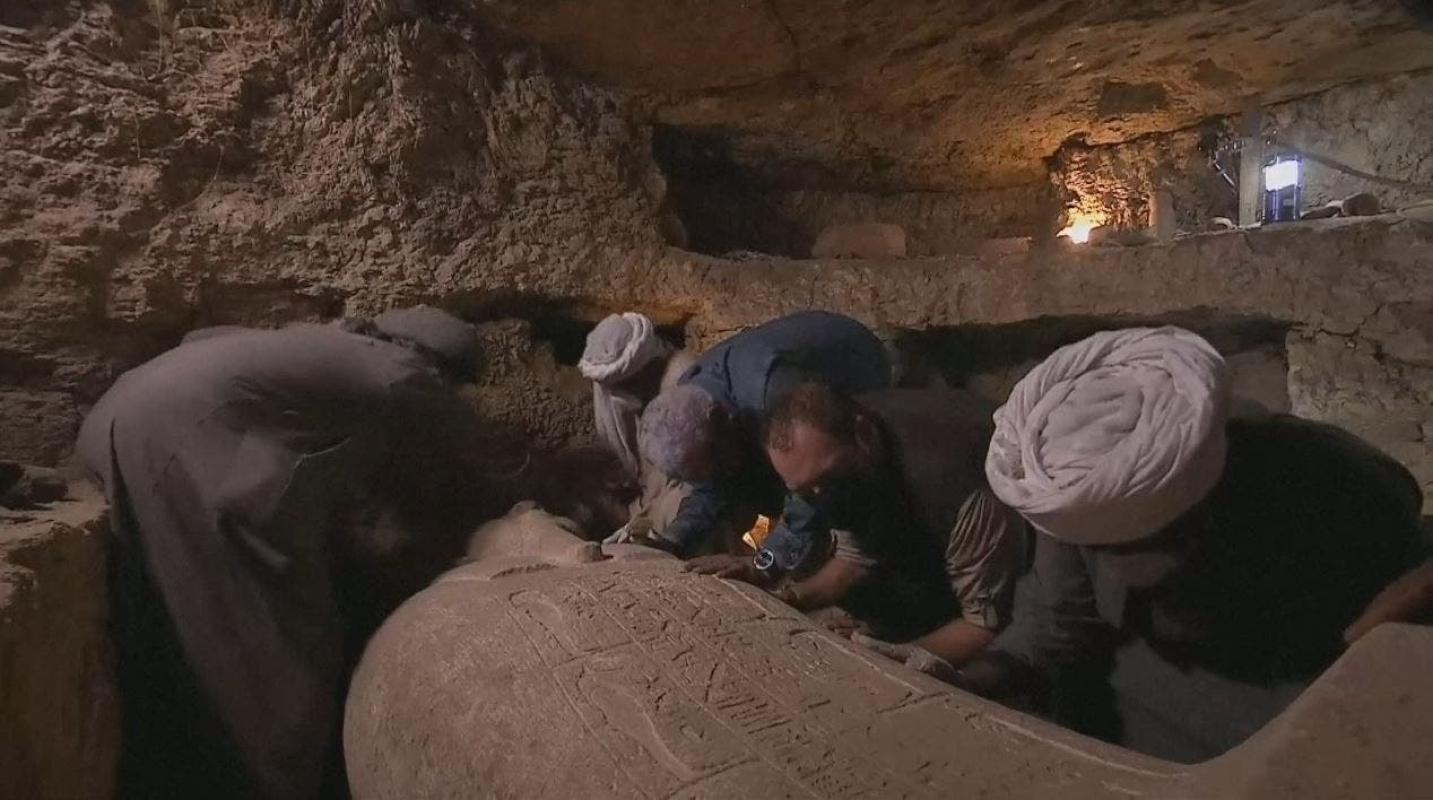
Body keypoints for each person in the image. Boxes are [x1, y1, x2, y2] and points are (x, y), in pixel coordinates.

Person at [953, 326, 1430, 763]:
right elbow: (1054, 620)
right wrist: (973, 680)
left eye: (1147, 547)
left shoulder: (1327, 484)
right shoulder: (1078, 489)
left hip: (1296, 734)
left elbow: (1395, 607)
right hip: (1133, 735)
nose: (1120, 566)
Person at [79, 306, 494, 799]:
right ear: (438, 364)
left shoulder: (313, 342)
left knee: (165, 622)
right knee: (268, 648)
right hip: (179, 444)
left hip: (115, 419)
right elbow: (469, 450)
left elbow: (205, 338)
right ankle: (263, 782)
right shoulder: (400, 371)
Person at [689, 383, 1028, 675]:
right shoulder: (842, 459)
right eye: (806, 491)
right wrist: (783, 594)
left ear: (864, 434)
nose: (821, 495)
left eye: (827, 479)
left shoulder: (954, 480)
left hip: (1020, 558)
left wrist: (889, 659)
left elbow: (982, 624)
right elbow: (855, 558)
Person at [638, 311, 892, 557]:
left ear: (721, 421)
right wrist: (673, 540)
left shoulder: (772, 395)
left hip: (864, 367)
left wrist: (768, 560)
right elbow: (712, 488)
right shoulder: (694, 405)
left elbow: (808, 482)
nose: (717, 475)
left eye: (716, 464)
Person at [577, 312, 697, 542]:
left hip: (686, 491)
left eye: (623, 385)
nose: (614, 395)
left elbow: (695, 478)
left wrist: (649, 521)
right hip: (647, 492)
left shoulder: (681, 380)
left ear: (642, 368)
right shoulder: (614, 390)